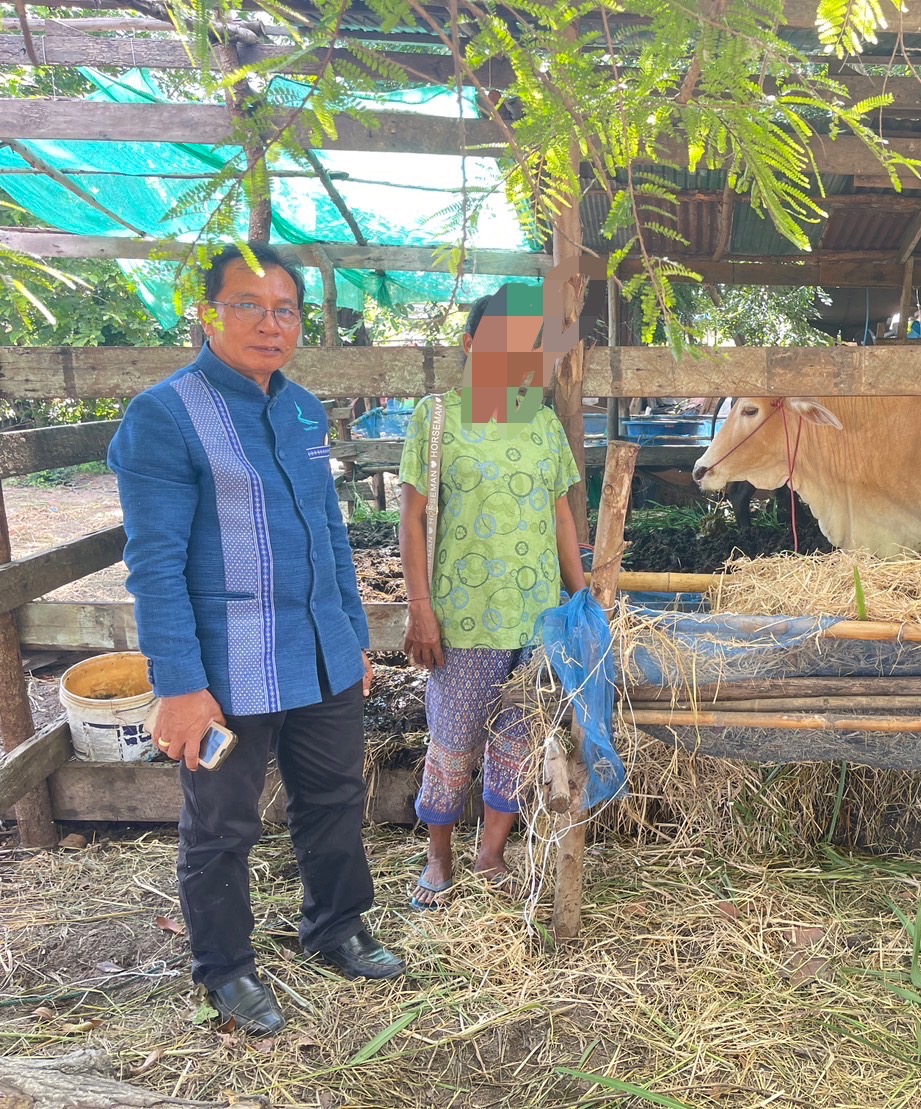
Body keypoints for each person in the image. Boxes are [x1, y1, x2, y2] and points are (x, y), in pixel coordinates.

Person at [108, 243, 403, 1037]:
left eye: (285, 309)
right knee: (222, 825)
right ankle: (226, 969)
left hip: (320, 652)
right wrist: (179, 684)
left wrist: (352, 638)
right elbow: (157, 564)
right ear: (207, 313)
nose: (270, 324)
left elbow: (329, 535)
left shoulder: (304, 408)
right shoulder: (164, 415)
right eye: (248, 305)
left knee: (336, 798)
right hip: (225, 670)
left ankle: (336, 925)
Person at [399, 287, 586, 910]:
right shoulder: (438, 416)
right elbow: (414, 517)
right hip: (465, 616)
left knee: (519, 740)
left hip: (537, 618)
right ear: (471, 342)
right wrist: (420, 606)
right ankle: (439, 856)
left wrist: (581, 599)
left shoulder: (542, 422)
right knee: (453, 742)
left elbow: (561, 516)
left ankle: (491, 854)